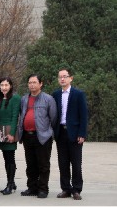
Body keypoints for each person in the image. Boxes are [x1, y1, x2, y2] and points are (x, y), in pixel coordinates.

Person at [17, 74, 57, 199]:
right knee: (30, 164)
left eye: (34, 82)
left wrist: (49, 133)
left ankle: (43, 189)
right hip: (27, 136)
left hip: (43, 136)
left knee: (43, 164)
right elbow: (22, 114)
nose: (32, 85)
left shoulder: (48, 99)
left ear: (41, 84)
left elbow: (53, 118)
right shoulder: (24, 99)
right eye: (30, 83)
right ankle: (32, 187)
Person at [53, 68, 88, 201]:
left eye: (65, 76)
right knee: (63, 163)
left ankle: (76, 189)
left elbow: (84, 116)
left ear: (71, 78)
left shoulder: (78, 94)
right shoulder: (56, 94)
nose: (62, 79)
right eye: (60, 77)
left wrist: (82, 133)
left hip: (74, 133)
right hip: (60, 132)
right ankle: (66, 189)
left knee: (76, 163)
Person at [0, 77, 21, 195]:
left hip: (10, 130)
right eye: (2, 85)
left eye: (6, 85)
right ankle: (12, 182)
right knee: (6, 157)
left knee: (10, 158)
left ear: (10, 86)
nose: (4, 87)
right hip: (1, 130)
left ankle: (10, 184)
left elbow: (15, 116)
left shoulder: (15, 98)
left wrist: (12, 133)